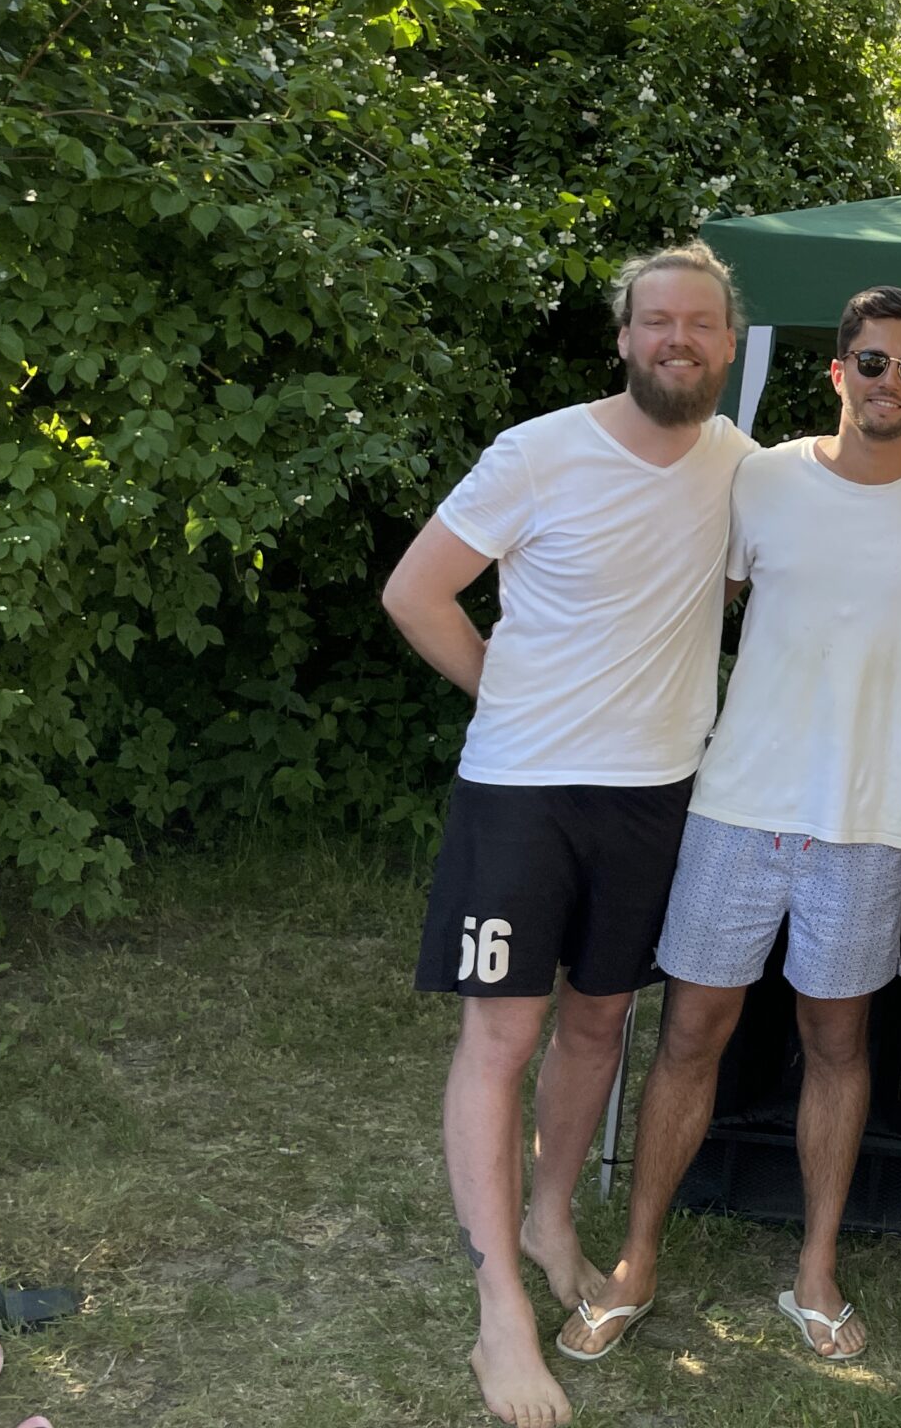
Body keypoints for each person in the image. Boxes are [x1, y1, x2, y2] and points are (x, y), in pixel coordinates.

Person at [560, 285, 901, 1367]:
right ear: (839, 372)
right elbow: (689, 602)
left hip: (867, 818)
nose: (891, 382)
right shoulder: (758, 479)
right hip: (738, 804)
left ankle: (815, 1271)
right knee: (690, 1033)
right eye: (874, 362)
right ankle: (636, 1262)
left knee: (837, 1044)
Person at [382, 244, 755, 1428]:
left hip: (654, 795)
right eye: (656, 321)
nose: (677, 338)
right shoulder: (537, 451)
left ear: (729, 343)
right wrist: (502, 689)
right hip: (523, 793)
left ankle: (550, 1221)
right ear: (624, 337)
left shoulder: (743, 469)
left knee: (599, 1024)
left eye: (699, 322)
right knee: (503, 1036)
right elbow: (414, 592)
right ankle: (499, 1311)